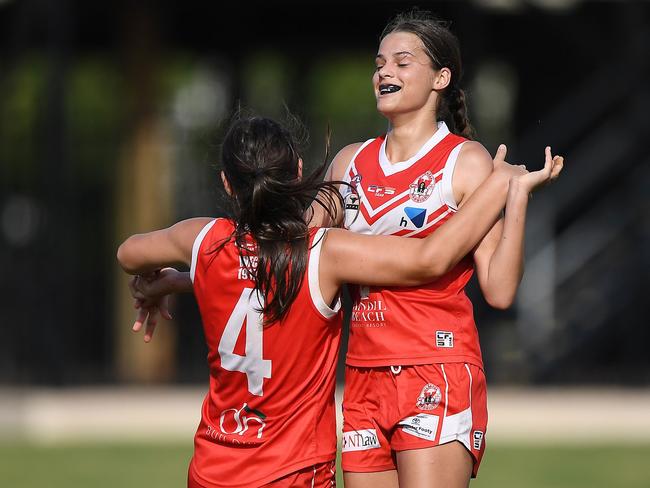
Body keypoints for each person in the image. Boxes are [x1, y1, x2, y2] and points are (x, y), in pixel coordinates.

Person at [117, 114, 561, 487]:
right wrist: (502, 185)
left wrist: (166, 280)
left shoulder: (203, 239)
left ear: (227, 185)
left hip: (214, 468)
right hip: (293, 470)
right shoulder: (322, 252)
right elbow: (431, 257)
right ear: (296, 173)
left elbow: (130, 253)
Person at [306, 10, 564, 488]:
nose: (385, 72)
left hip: (436, 368)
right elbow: (298, 262)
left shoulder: (465, 162)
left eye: (403, 62)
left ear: (441, 78)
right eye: (380, 63)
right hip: (362, 375)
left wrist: (516, 198)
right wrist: (186, 276)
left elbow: (501, 289)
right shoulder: (348, 163)